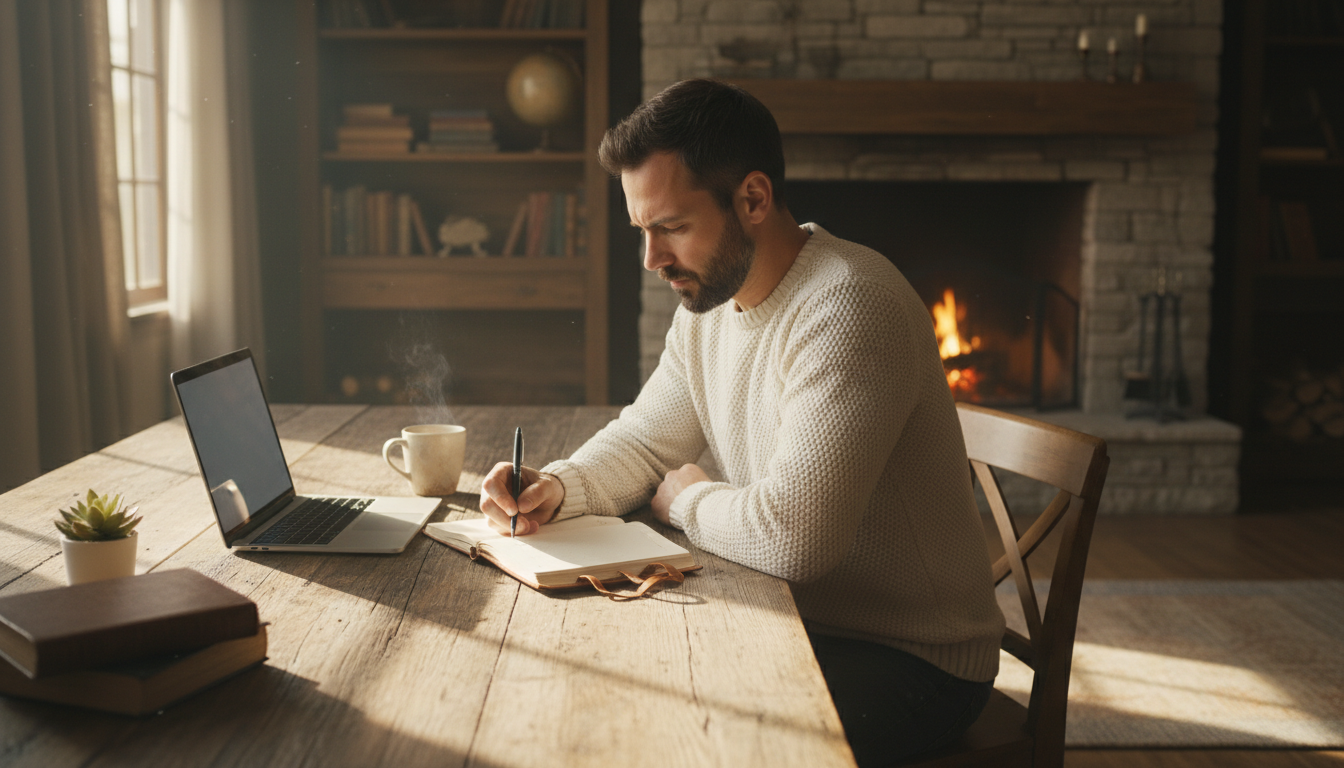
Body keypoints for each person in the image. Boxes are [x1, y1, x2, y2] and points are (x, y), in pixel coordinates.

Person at [479, 78, 1004, 766]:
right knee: (602, 692)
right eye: (642, 231)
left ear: (753, 199)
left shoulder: (848, 306)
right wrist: (558, 486)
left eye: (670, 228)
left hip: (913, 662)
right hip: (798, 619)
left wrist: (686, 498)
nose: (651, 259)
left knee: (680, 739)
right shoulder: (710, 311)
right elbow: (643, 440)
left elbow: (795, 539)